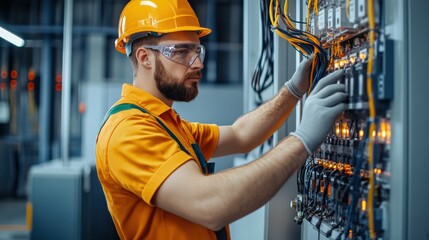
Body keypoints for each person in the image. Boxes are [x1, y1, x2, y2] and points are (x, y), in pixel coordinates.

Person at [95, 0, 346, 239]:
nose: (198, 64)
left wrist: (292, 90)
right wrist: (302, 140)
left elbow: (240, 135)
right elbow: (211, 205)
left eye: (197, 50)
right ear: (144, 57)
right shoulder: (129, 131)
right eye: (181, 52)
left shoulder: (166, 123)